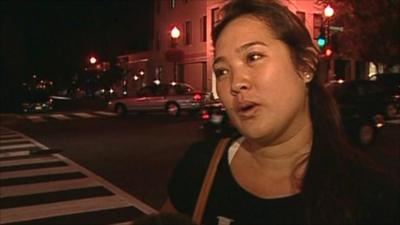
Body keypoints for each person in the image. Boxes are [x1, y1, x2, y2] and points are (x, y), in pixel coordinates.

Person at [162, 0, 399, 224]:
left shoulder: (370, 194)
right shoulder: (200, 169)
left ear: (305, 66)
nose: (235, 83)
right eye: (222, 71)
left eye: (253, 57)